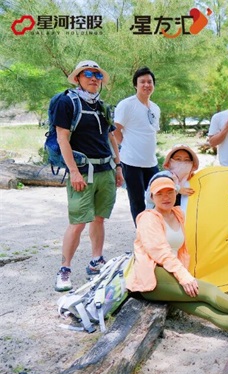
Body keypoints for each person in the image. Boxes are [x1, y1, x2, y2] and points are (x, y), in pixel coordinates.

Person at [126, 176, 228, 346]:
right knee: (209, 292)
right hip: (152, 277)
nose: (166, 197)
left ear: (176, 193)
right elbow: (160, 252)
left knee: (205, 310)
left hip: (169, 276)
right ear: (152, 197)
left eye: (169, 192)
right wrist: (184, 276)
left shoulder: (177, 214)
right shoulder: (148, 218)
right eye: (159, 193)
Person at [54, 60, 123, 292]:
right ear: (78, 78)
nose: (94, 78)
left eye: (97, 75)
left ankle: (96, 261)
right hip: (83, 172)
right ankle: (64, 269)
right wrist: (74, 171)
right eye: (88, 74)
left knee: (99, 218)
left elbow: (111, 137)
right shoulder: (67, 102)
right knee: (78, 222)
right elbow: (62, 138)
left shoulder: (101, 106)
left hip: (106, 170)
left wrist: (118, 166)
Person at [113, 66, 161, 225]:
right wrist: (125, 144)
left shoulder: (155, 108)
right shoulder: (127, 105)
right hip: (131, 161)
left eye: (150, 82)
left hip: (151, 162)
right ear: (136, 85)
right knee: (137, 201)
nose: (146, 85)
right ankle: (141, 233)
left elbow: (150, 132)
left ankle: (155, 230)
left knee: (157, 196)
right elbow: (115, 130)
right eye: (142, 82)